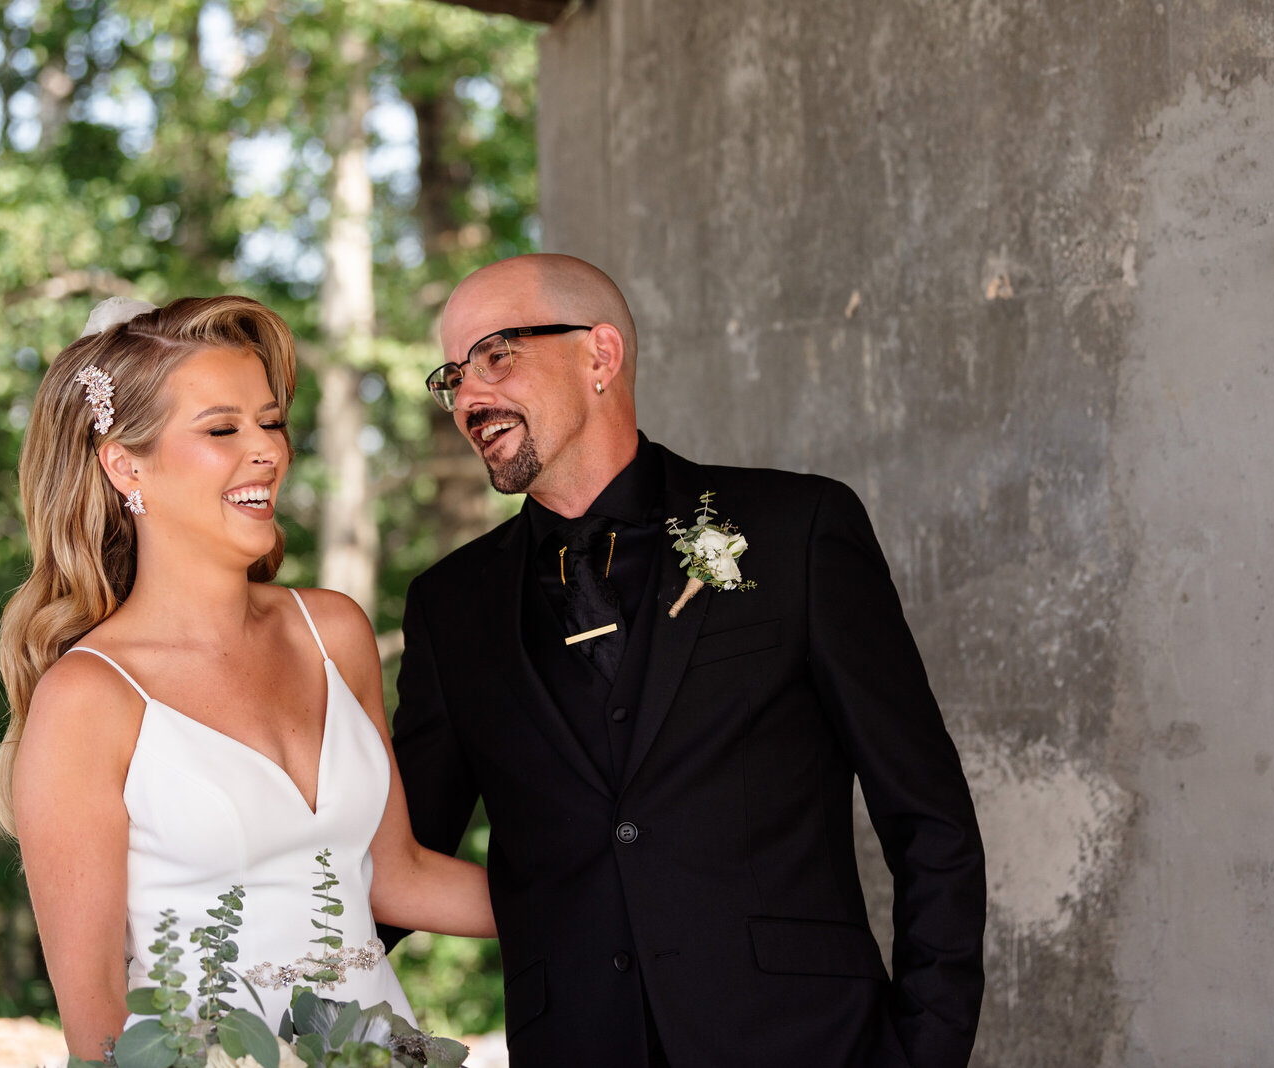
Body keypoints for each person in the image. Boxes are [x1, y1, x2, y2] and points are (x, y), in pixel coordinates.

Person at [388, 255, 986, 1068]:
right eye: (451, 375)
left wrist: (924, 1054)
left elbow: (930, 822)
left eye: (496, 356)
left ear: (600, 354)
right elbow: (402, 856)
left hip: (812, 1044)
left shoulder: (795, 531)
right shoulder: (450, 605)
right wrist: (243, 980)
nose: (468, 397)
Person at [0, 295, 494, 1058]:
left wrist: (621, 887)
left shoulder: (332, 631)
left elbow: (397, 877)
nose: (267, 450)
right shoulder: (89, 699)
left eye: (272, 422)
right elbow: (94, 1024)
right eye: (222, 429)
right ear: (126, 464)